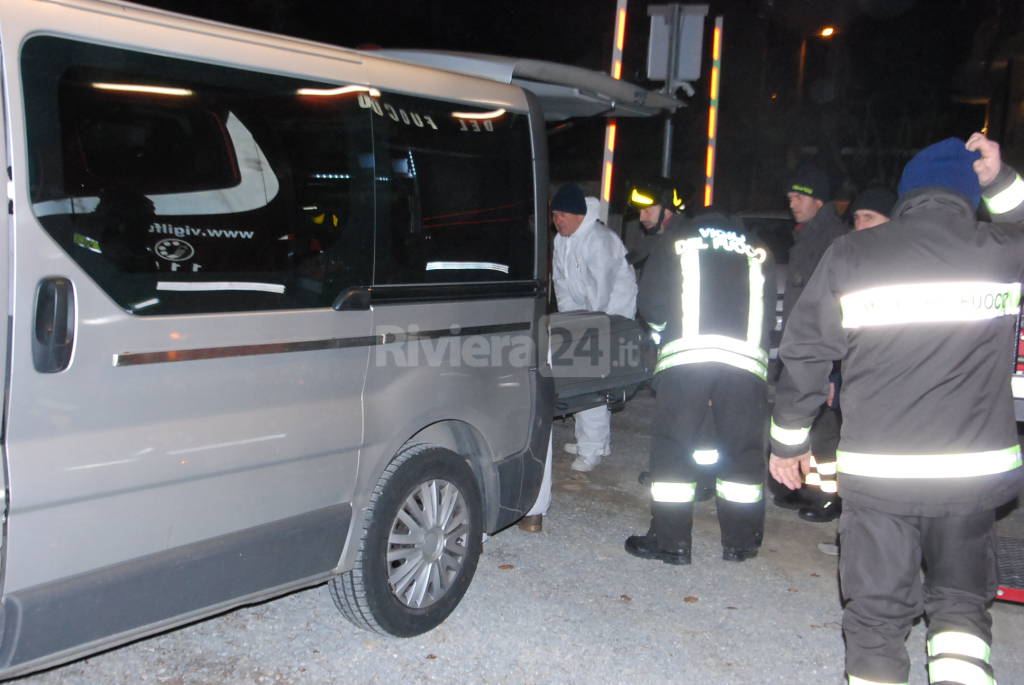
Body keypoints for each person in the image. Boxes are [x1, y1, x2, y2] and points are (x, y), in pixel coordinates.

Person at [769, 133, 1024, 685]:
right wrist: (1002, 181)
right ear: (968, 195)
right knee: (960, 612)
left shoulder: (853, 253)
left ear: (907, 195)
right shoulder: (1002, 250)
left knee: (877, 618)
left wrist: (789, 443)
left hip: (880, 476)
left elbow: (806, 353)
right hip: (970, 478)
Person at [625, 209, 775, 565]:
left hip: (687, 359)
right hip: (745, 363)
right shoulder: (757, 247)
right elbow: (770, 308)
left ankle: (671, 542)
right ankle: (740, 542)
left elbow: (652, 303)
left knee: (674, 449)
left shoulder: (679, 238)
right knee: (743, 452)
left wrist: (662, 335)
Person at [776, 164, 849, 523]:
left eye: (798, 197)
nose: (792, 203)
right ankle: (801, 486)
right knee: (797, 422)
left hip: (822, 355)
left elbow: (831, 311)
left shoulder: (833, 240)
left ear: (818, 201)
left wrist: (834, 372)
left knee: (824, 432)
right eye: (790, 197)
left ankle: (827, 496)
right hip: (802, 349)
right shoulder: (806, 236)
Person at [551, 183, 637, 472]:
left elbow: (601, 290)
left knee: (590, 381)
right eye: (555, 215)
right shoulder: (560, 241)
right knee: (584, 378)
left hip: (612, 315)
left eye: (563, 214)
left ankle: (591, 449)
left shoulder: (600, 240)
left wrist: (588, 326)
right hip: (584, 317)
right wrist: (569, 321)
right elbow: (561, 284)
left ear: (578, 215)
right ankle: (597, 442)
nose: (558, 220)